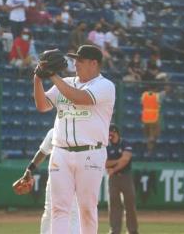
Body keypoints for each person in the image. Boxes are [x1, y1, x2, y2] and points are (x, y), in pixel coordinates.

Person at [33, 45, 115, 233]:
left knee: (86, 208)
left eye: (80, 60)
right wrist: (37, 78)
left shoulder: (105, 86)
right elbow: (43, 105)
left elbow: (80, 98)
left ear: (94, 63)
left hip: (90, 153)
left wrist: (53, 75)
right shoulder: (67, 81)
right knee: (59, 208)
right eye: (75, 59)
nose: (75, 63)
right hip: (60, 151)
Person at [20, 128, 80, 234]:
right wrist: (29, 169)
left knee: (70, 213)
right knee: (55, 212)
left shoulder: (77, 131)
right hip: (57, 178)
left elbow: (42, 152)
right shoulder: (55, 131)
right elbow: (43, 152)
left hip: (71, 177)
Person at [106, 124, 139, 234]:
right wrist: (118, 161)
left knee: (129, 204)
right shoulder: (106, 145)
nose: (110, 135)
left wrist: (113, 168)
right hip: (113, 179)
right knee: (114, 205)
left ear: (116, 132)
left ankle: (132, 230)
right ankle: (114, 230)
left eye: (111, 133)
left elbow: (125, 160)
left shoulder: (125, 143)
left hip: (126, 176)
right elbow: (104, 162)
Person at [141, 85, 167, 154]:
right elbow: (165, 92)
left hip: (145, 118)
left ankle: (149, 150)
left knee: (148, 135)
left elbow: (141, 102)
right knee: (153, 136)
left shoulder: (144, 95)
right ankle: (150, 150)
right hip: (154, 117)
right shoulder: (157, 95)